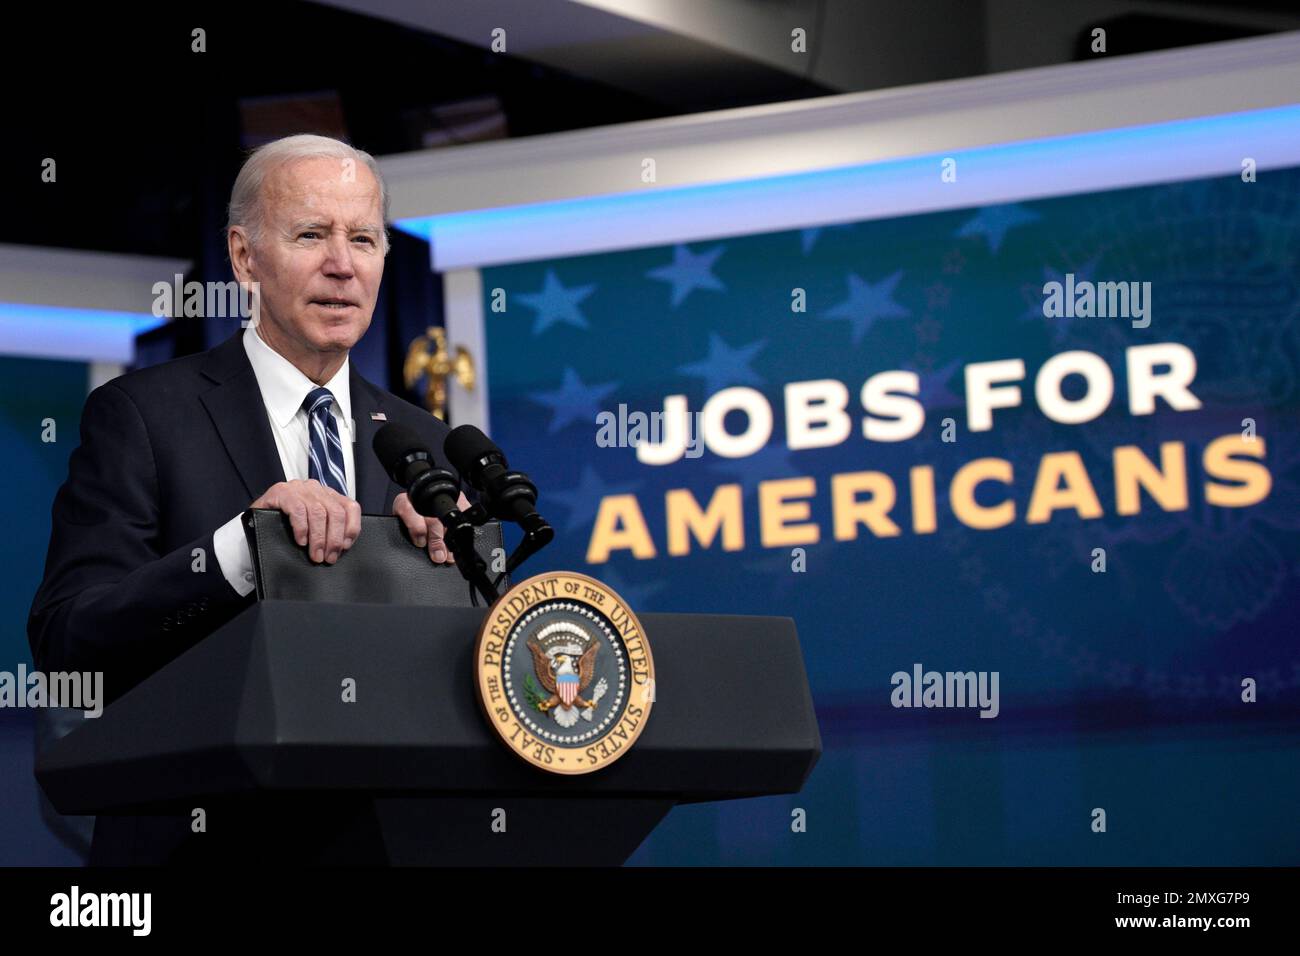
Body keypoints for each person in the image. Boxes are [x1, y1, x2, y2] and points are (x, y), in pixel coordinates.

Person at [27, 134, 469, 863]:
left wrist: (454, 581)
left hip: (390, 845)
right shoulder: (142, 415)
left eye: (364, 238)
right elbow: (67, 640)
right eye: (311, 234)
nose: (342, 264)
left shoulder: (427, 443)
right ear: (242, 257)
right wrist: (242, 548)